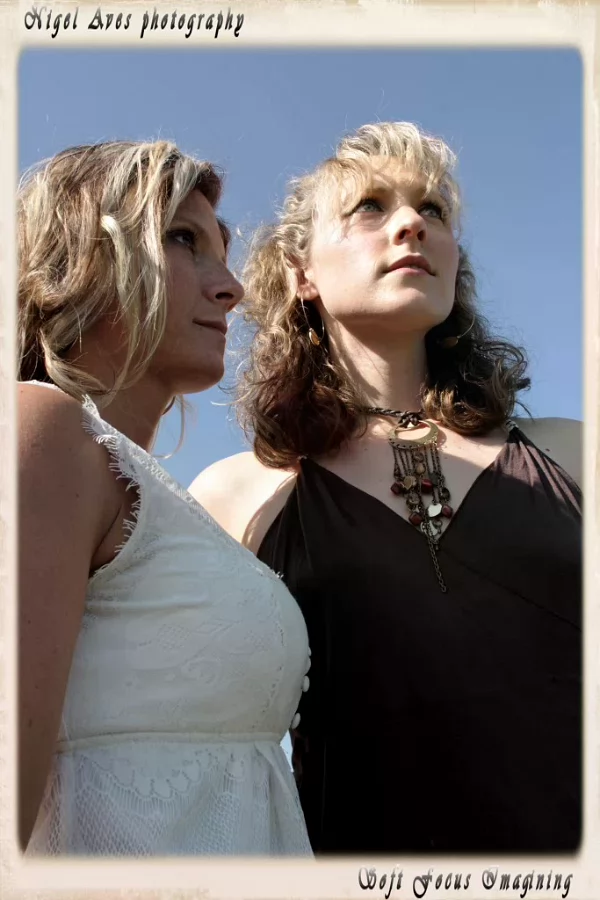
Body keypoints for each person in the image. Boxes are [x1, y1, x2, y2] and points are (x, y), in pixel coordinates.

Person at [190, 122, 582, 854]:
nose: (412, 223)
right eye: (370, 206)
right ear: (302, 272)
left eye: (433, 210)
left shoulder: (571, 453)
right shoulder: (235, 495)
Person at [18, 140, 312, 856]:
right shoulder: (41, 427)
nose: (232, 288)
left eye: (223, 252)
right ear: (80, 253)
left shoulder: (158, 493)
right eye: (184, 239)